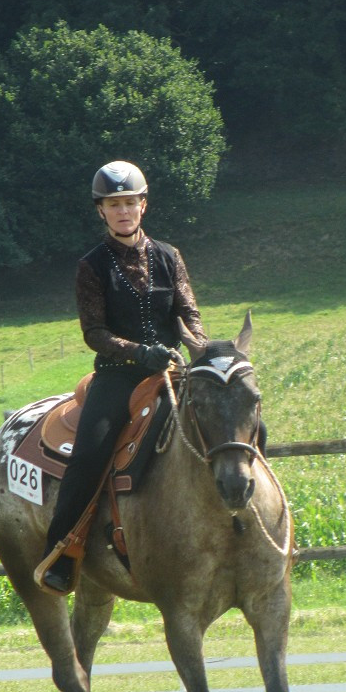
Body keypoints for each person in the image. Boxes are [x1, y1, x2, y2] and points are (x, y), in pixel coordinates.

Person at [37, 160, 208, 594]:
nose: (123, 211)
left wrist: (200, 349)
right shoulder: (91, 265)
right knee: (89, 454)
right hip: (117, 378)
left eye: (130, 202)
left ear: (143, 205)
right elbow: (94, 332)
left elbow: (188, 312)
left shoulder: (170, 256)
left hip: (171, 373)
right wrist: (138, 352)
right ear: (102, 211)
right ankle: (61, 551)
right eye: (114, 204)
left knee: (229, 426)